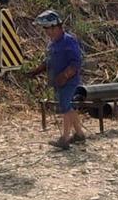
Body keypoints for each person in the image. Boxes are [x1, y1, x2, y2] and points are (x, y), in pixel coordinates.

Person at [27, 9, 87, 150]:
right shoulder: (52, 44)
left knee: (65, 106)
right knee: (67, 106)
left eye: (48, 29)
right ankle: (79, 134)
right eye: (45, 29)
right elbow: (48, 62)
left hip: (69, 81)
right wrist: (35, 72)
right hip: (58, 81)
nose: (47, 32)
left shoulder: (68, 41)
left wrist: (65, 76)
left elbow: (76, 63)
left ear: (56, 27)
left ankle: (64, 139)